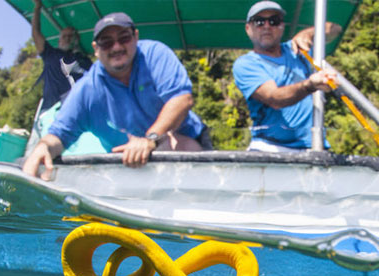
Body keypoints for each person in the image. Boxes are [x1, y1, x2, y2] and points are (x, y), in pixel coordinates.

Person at [23, 12, 212, 180]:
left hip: (186, 143)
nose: (116, 47)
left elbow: (181, 99)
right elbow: (58, 134)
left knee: (176, 144)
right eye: (106, 42)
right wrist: (42, 147)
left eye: (124, 38)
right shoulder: (87, 89)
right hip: (127, 170)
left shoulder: (155, 54)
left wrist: (150, 139)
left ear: (136, 37)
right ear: (96, 48)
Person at [233, 1, 341, 152]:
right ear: (248, 29)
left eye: (273, 21)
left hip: (314, 147)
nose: (266, 26)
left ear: (282, 26)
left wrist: (307, 33)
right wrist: (309, 85)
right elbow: (274, 98)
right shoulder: (245, 64)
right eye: (259, 22)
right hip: (269, 148)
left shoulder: (298, 49)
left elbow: (335, 29)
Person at [32, 0, 92, 111]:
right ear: (59, 40)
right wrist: (37, 7)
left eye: (71, 36)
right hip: (51, 111)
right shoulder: (50, 53)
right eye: (64, 36)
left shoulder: (84, 60)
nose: (67, 38)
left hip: (78, 110)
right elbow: (36, 33)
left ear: (76, 40)